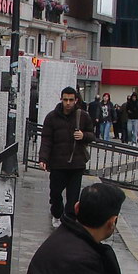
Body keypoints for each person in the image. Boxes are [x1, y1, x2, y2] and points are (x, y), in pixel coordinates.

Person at [38, 86, 94, 227]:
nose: (68, 103)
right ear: (61, 100)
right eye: (65, 100)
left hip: (76, 164)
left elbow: (92, 135)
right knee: (55, 194)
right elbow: (46, 139)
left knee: (73, 197)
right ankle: (57, 214)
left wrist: (84, 135)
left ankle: (68, 221)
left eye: (70, 100)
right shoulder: (52, 117)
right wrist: (43, 158)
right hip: (58, 163)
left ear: (75, 100)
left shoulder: (83, 116)